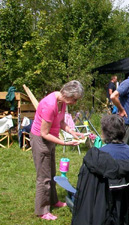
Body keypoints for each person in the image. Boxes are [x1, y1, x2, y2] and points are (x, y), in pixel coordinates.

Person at [30, 80, 84, 220]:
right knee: (44, 177)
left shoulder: (63, 102)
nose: (75, 103)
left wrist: (73, 132)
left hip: (50, 138)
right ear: (67, 94)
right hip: (41, 140)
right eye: (75, 99)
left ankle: (53, 201)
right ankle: (42, 210)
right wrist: (65, 143)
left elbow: (60, 122)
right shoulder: (50, 105)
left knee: (52, 172)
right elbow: (44, 133)